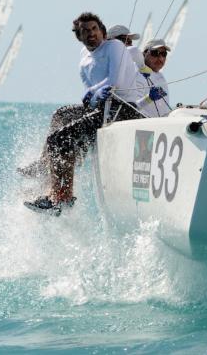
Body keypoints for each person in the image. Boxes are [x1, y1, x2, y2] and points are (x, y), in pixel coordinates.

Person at [24, 12, 141, 214]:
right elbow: (89, 93)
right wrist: (92, 94)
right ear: (79, 36)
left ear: (103, 31)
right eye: (85, 31)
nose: (91, 33)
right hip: (100, 108)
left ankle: (61, 197)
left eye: (94, 29)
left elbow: (115, 82)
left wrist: (93, 92)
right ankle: (47, 168)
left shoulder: (114, 46)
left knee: (58, 139)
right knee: (60, 115)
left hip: (122, 109)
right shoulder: (84, 56)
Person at [136, 39, 171, 118]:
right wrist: (149, 98)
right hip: (143, 125)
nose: (160, 58)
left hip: (161, 126)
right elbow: (131, 106)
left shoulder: (161, 76)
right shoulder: (138, 74)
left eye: (163, 54)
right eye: (155, 53)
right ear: (144, 54)